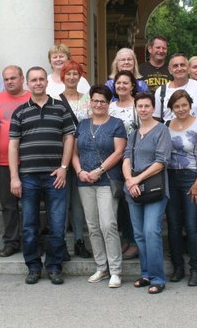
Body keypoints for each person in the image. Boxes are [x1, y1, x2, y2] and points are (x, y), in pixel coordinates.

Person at [9, 66, 75, 285]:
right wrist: (14, 177)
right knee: (29, 225)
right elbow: (13, 146)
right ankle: (34, 267)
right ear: (28, 84)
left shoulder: (60, 108)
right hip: (28, 176)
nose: (37, 83)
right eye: (33, 80)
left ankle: (55, 267)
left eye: (41, 79)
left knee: (57, 226)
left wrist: (64, 167)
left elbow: (69, 138)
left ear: (46, 82)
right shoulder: (20, 112)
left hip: (55, 176)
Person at [72, 85, 127, 288]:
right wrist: (80, 172)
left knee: (108, 225)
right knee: (93, 226)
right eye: (95, 100)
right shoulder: (83, 125)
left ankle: (115, 270)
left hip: (107, 180)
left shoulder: (116, 124)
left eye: (102, 101)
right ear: (90, 102)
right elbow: (74, 152)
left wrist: (99, 171)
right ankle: (101, 267)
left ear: (109, 103)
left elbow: (119, 152)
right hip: (84, 180)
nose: (98, 104)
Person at [122, 92, 172, 294]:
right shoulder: (133, 133)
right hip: (133, 190)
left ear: (153, 108)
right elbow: (126, 158)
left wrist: (136, 179)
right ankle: (146, 274)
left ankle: (158, 278)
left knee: (152, 232)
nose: (143, 109)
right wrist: (129, 180)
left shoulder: (162, 131)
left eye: (146, 106)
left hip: (154, 190)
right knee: (140, 235)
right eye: (140, 106)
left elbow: (161, 162)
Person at [165, 90, 197, 287]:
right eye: (176, 106)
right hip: (170, 178)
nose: (181, 109)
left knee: (192, 226)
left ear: (190, 105)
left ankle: (195, 270)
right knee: (173, 226)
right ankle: (178, 267)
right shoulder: (167, 126)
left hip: (192, 176)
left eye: (184, 105)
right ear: (172, 109)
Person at [0, 65, 31, 257]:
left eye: (13, 78)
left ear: (22, 78)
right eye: (6, 79)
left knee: (31, 202)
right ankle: (12, 241)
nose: (10, 82)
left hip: (30, 160)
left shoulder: (32, 98)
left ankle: (33, 240)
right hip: (3, 161)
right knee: (8, 204)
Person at [58, 60, 92, 259]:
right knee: (62, 200)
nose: (72, 77)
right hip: (62, 156)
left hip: (82, 155)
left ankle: (79, 240)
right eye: (68, 74)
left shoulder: (87, 99)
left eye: (75, 74)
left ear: (80, 77)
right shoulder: (54, 99)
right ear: (63, 76)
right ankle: (60, 242)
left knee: (78, 202)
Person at [108, 70, 140, 260]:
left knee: (132, 203)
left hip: (134, 161)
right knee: (119, 203)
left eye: (125, 83)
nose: (121, 86)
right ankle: (126, 240)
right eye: (118, 83)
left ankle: (135, 242)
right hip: (114, 161)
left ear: (132, 86)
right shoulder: (110, 107)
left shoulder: (138, 105)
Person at [153, 53, 197, 122]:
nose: (179, 68)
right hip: (169, 131)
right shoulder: (161, 91)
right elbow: (156, 118)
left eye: (182, 65)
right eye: (175, 66)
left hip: (196, 132)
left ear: (188, 68)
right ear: (170, 70)